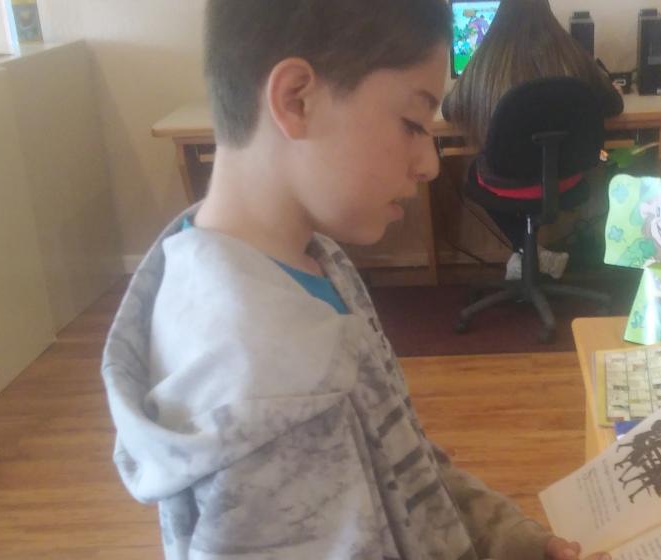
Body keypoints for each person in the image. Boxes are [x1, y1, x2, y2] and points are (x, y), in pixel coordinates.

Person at [100, 1, 608, 559]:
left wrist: (513, 544)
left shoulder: (314, 263)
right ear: (297, 99)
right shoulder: (267, 385)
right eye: (413, 124)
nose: (431, 164)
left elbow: (401, 461)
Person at [442, 0, 623, 281]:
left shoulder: (484, 62)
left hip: (505, 184)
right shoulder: (572, 56)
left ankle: (528, 252)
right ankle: (534, 254)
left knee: (473, 173)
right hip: (565, 180)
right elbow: (613, 105)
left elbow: (448, 109)